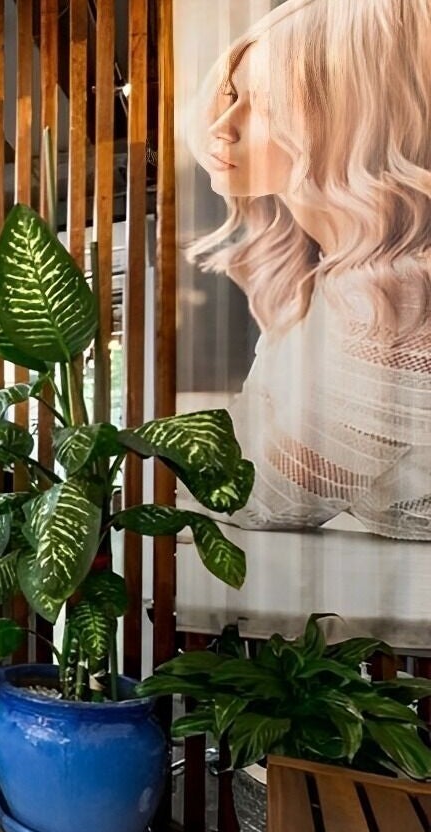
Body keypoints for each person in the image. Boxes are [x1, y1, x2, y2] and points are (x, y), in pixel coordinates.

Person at [187, 0, 431, 540]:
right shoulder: (335, 280)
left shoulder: (396, 298)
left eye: (268, 105)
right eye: (232, 96)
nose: (223, 127)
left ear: (355, 125)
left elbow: (271, 497)